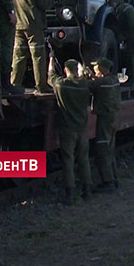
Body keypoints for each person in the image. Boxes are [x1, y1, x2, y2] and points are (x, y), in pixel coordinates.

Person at [48, 57, 92, 203]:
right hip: (82, 128)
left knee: (68, 160)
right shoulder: (84, 85)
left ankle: (70, 193)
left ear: (66, 70)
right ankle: (87, 190)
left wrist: (51, 61)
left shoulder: (62, 85)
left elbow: (51, 77)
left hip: (68, 129)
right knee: (84, 159)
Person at [11, 0, 51, 94]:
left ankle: (14, 84)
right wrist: (52, 1)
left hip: (17, 26)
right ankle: (41, 86)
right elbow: (43, 4)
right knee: (38, 56)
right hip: (33, 26)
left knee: (19, 56)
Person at [87, 58, 121, 192]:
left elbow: (87, 85)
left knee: (102, 149)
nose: (94, 69)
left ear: (101, 69)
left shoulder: (102, 83)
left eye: (96, 67)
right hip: (112, 117)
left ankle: (108, 182)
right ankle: (114, 178)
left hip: (105, 119)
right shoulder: (113, 80)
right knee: (109, 148)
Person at [108, 0, 134, 76]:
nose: (112, 8)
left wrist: (118, 37)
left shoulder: (120, 9)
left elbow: (120, 25)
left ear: (114, 3)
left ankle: (132, 78)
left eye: (111, 6)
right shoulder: (127, 6)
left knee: (131, 56)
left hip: (132, 35)